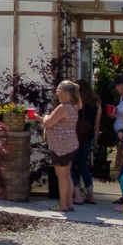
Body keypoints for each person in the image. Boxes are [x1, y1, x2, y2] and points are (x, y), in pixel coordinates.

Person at [41, 82, 80, 215]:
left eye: (58, 90)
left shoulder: (63, 108)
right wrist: (39, 118)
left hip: (61, 147)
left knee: (61, 175)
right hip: (71, 145)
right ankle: (69, 203)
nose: (56, 93)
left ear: (65, 92)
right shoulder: (73, 107)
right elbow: (57, 122)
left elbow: (48, 122)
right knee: (67, 175)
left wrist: (45, 117)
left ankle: (63, 204)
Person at [72, 82, 101, 205]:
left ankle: (77, 195)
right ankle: (90, 195)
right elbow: (96, 125)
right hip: (88, 137)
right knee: (83, 165)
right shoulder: (97, 103)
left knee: (69, 166)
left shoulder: (76, 102)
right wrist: (95, 141)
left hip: (75, 137)